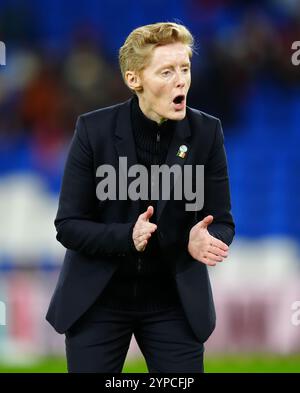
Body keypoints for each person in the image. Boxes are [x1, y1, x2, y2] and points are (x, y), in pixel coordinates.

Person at [46, 22, 235, 373]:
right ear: (135, 80)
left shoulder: (207, 132)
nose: (182, 80)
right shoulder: (93, 130)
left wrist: (205, 239)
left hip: (173, 300)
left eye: (185, 69)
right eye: (167, 71)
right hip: (99, 299)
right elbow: (68, 226)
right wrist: (126, 238)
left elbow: (221, 221)